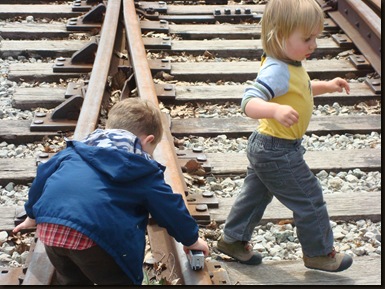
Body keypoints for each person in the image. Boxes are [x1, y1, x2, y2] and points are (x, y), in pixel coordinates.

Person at [216, 0, 353, 273]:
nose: (313, 44)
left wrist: (328, 85)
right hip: (277, 149)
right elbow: (249, 101)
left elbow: (302, 89)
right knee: (310, 197)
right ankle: (319, 254)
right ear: (279, 35)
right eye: (307, 38)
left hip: (268, 146)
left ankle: (232, 239)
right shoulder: (276, 69)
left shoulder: (291, 63)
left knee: (255, 195)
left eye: (316, 37)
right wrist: (274, 110)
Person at [13, 97, 209, 285]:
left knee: (71, 279)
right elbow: (170, 209)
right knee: (118, 280)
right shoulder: (140, 169)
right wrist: (192, 240)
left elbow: (42, 177)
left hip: (51, 231)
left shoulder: (73, 152)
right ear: (147, 140)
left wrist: (32, 214)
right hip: (96, 239)